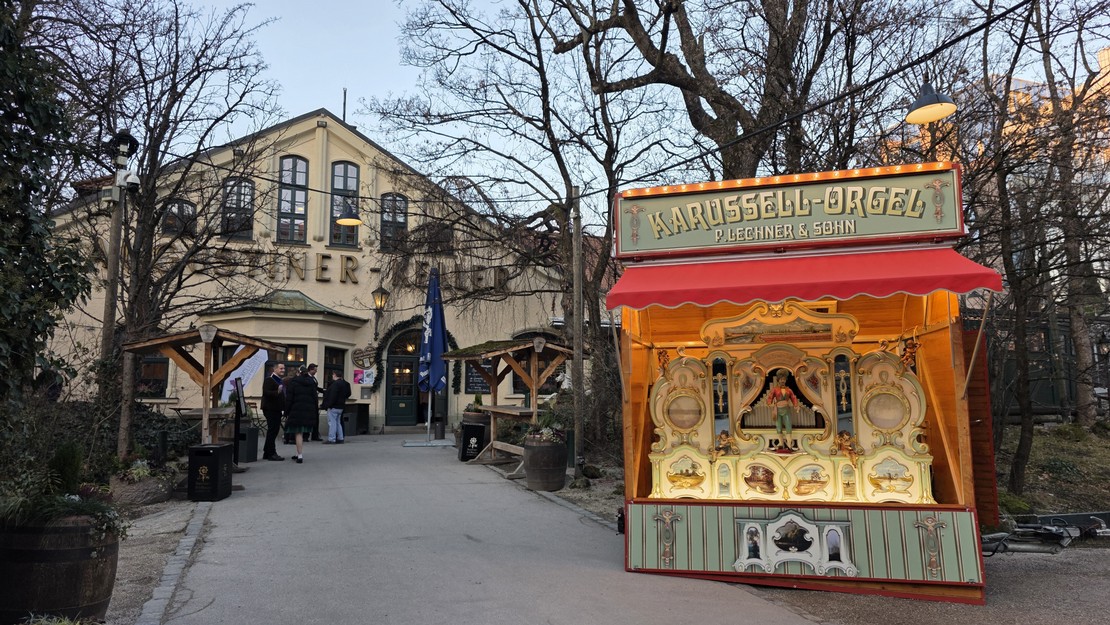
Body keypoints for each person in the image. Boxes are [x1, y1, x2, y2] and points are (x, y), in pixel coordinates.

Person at [284, 367, 319, 463]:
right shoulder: (311, 382)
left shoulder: (293, 382)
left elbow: (289, 399)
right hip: (308, 411)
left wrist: (286, 412)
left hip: (296, 411)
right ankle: (297, 453)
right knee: (301, 433)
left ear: (298, 373)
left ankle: (299, 455)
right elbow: (315, 398)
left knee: (298, 433)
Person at [766, 368, 798, 452]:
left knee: (788, 427)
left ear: (785, 380)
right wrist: (770, 403)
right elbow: (770, 397)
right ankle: (780, 443)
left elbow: (793, 398)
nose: (782, 381)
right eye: (781, 379)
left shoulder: (789, 390)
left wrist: (796, 405)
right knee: (779, 427)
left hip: (786, 410)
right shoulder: (775, 389)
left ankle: (789, 445)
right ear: (778, 380)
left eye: (784, 379)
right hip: (778, 411)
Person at [260, 363, 286, 461]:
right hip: (270, 409)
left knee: (274, 430)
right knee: (273, 431)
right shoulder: (269, 380)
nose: (283, 370)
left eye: (284, 368)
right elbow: (266, 392)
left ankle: (267, 452)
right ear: (275, 369)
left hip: (277, 409)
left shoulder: (279, 380)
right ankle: (271, 453)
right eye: (281, 368)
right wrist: (277, 392)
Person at [321, 371, 351, 444]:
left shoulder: (335, 384)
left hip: (334, 406)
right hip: (341, 406)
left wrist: (328, 405)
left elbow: (332, 396)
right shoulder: (345, 384)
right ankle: (340, 438)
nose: (332, 376)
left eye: (333, 374)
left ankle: (332, 439)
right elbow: (348, 394)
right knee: (338, 422)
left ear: (335, 375)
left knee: (332, 423)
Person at [306, 363, 324, 441]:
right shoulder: (307, 378)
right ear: (310, 370)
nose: (316, 371)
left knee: (315, 418)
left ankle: (315, 435)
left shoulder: (313, 378)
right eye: (315, 370)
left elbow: (315, 387)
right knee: (308, 418)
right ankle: (306, 435)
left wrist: (323, 390)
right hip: (309, 401)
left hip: (314, 400)